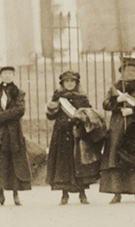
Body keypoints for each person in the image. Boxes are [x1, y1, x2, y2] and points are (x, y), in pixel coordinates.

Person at [100, 56, 135, 204]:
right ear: (121, 72)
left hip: (134, 126)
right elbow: (105, 104)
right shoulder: (114, 88)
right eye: (127, 70)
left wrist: (133, 112)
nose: (130, 73)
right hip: (117, 127)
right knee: (116, 159)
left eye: (133, 71)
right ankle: (117, 193)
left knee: (134, 158)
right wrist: (117, 101)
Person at [46, 70, 100, 204]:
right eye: (66, 81)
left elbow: (90, 115)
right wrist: (52, 106)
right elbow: (50, 117)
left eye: (72, 81)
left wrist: (83, 116)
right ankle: (64, 195)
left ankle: (82, 194)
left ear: (76, 83)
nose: (69, 84)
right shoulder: (58, 97)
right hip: (61, 134)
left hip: (78, 134)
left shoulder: (82, 97)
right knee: (63, 164)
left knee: (79, 164)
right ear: (62, 83)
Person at [0, 66, 32, 206]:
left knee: (14, 162)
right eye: (4, 73)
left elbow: (19, 110)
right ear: (0, 75)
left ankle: (15, 194)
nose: (7, 76)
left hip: (12, 133)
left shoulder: (19, 92)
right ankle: (0, 194)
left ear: (13, 75)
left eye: (9, 74)